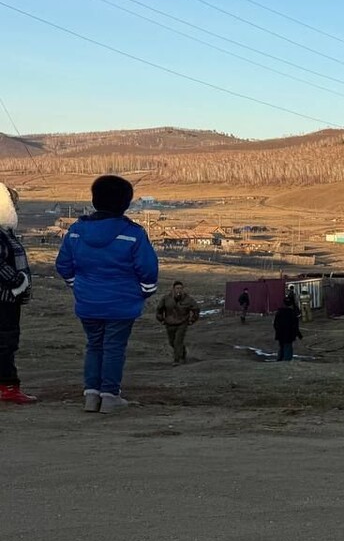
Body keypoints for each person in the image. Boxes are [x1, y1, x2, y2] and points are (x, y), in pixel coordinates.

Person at [55, 175, 159, 413]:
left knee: (94, 345)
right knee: (114, 347)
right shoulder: (133, 233)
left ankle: (91, 396)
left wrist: (77, 286)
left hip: (88, 302)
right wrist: (143, 292)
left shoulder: (76, 231)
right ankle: (110, 396)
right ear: (126, 203)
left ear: (94, 200)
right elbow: (148, 270)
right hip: (122, 303)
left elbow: (63, 265)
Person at [0, 184, 36, 405]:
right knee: (5, 342)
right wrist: (16, 281)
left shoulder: (5, 233)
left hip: (9, 298)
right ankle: (7, 387)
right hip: (3, 299)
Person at [156, 280, 200, 365]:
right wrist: (161, 319)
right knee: (172, 342)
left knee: (178, 341)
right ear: (173, 289)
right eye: (177, 288)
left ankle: (177, 360)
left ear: (183, 289)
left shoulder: (188, 299)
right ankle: (182, 353)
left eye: (180, 288)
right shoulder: (166, 298)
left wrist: (192, 320)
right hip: (169, 323)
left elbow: (196, 309)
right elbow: (159, 310)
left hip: (182, 323)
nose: (179, 290)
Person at [273, 293, 302, 362]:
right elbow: (295, 326)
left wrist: (278, 331)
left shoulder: (279, 312)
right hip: (289, 334)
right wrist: (298, 335)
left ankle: (280, 359)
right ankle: (286, 360)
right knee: (288, 347)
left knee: (281, 347)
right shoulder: (292, 313)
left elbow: (275, 324)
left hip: (280, 333)